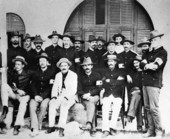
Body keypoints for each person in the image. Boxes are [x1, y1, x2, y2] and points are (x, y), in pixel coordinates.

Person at [140, 30, 167, 137]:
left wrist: (147, 64)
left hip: (154, 83)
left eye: (156, 39)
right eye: (152, 40)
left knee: (153, 108)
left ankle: (158, 131)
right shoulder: (148, 52)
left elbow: (156, 66)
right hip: (145, 82)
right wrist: (147, 65)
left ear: (160, 40)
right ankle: (150, 130)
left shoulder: (162, 52)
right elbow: (141, 64)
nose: (153, 41)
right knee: (147, 108)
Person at [0, 56, 34, 135]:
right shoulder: (12, 73)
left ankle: (17, 126)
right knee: (4, 86)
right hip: (15, 94)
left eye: (19, 64)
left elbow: (34, 85)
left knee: (23, 104)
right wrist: (17, 90)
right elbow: (9, 83)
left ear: (23, 65)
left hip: (25, 95)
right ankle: (5, 108)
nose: (17, 66)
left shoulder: (29, 73)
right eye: (16, 64)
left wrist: (25, 92)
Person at [46, 58, 78, 137]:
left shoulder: (73, 75)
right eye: (62, 66)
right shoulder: (58, 75)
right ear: (59, 67)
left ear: (68, 66)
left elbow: (74, 89)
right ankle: (51, 126)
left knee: (64, 105)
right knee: (52, 103)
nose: (63, 67)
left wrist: (66, 97)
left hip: (71, 96)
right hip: (60, 95)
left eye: (65, 65)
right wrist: (54, 97)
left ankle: (61, 127)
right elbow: (55, 87)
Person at [29, 53, 56, 137]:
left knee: (43, 106)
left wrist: (43, 96)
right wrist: (36, 95)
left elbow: (51, 87)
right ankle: (35, 127)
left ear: (47, 62)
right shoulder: (35, 72)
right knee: (32, 105)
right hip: (36, 95)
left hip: (46, 96)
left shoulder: (52, 72)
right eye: (40, 61)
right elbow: (33, 85)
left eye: (44, 61)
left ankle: (39, 124)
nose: (42, 62)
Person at [101, 55, 125, 138]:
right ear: (107, 63)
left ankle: (112, 127)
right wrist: (114, 81)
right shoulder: (105, 72)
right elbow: (103, 83)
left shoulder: (120, 71)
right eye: (109, 61)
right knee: (105, 107)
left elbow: (121, 82)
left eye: (112, 61)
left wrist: (109, 81)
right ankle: (105, 129)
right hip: (107, 93)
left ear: (115, 62)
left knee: (117, 106)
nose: (110, 63)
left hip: (117, 94)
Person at [77, 57, 101, 137]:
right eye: (85, 66)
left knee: (92, 102)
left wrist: (90, 94)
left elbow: (99, 88)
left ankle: (89, 124)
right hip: (84, 97)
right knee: (91, 104)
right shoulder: (80, 77)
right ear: (83, 67)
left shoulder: (97, 75)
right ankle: (92, 127)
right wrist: (84, 95)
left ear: (92, 66)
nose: (87, 67)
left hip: (95, 96)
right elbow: (79, 89)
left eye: (89, 65)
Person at [125, 56, 143, 132]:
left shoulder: (144, 72)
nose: (135, 64)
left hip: (141, 92)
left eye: (137, 63)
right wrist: (127, 75)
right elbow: (122, 70)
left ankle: (130, 115)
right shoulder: (131, 72)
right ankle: (139, 125)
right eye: (134, 63)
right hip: (132, 92)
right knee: (137, 98)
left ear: (141, 63)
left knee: (137, 97)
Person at [118, 39, 137, 108]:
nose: (126, 45)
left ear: (131, 46)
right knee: (121, 95)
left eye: (127, 44)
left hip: (131, 78)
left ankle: (129, 112)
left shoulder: (134, 55)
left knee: (130, 94)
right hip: (122, 77)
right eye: (124, 44)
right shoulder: (119, 55)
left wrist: (130, 75)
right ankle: (122, 112)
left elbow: (134, 68)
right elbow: (120, 67)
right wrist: (126, 75)